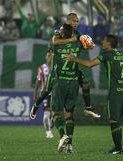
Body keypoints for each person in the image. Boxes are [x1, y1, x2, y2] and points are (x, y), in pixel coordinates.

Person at [65, 34, 123, 154]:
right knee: (116, 120)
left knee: (113, 120)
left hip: (115, 91)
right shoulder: (120, 55)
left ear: (109, 43)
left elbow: (89, 64)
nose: (102, 42)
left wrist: (75, 59)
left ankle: (118, 148)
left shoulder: (107, 55)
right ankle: (119, 147)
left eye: (104, 40)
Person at [30, 13, 100, 119]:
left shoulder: (78, 34)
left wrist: (90, 44)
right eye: (73, 21)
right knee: (46, 91)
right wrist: (70, 40)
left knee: (86, 84)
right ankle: (35, 106)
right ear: (68, 21)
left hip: (72, 67)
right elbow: (55, 41)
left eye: (77, 21)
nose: (76, 23)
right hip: (57, 68)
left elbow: (89, 45)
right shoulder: (59, 32)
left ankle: (88, 107)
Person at [51, 23, 83, 153]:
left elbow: (54, 39)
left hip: (61, 82)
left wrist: (64, 35)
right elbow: (83, 39)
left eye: (61, 31)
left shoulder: (57, 45)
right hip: (74, 82)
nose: (59, 31)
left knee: (56, 112)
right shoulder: (78, 44)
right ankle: (70, 144)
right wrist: (73, 36)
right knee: (69, 114)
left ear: (63, 34)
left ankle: (62, 135)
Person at [34, 52, 54, 139]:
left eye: (51, 55)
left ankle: (50, 126)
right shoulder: (42, 68)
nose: (49, 57)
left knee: (56, 115)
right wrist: (36, 93)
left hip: (56, 93)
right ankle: (48, 132)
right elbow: (38, 82)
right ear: (46, 57)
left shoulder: (57, 67)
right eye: (48, 55)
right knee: (46, 114)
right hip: (45, 93)